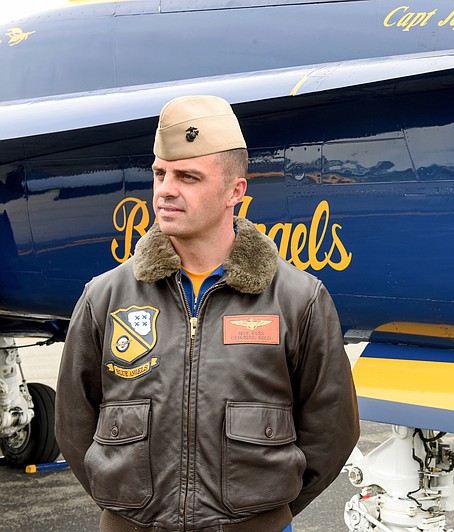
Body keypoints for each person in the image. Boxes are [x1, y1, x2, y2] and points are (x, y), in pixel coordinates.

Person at [55, 95, 360, 532]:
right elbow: (74, 424)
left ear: (235, 191)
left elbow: (332, 431)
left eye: (188, 177)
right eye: (160, 173)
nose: (166, 190)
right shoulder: (105, 297)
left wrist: (265, 515)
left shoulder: (298, 299)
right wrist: (132, 511)